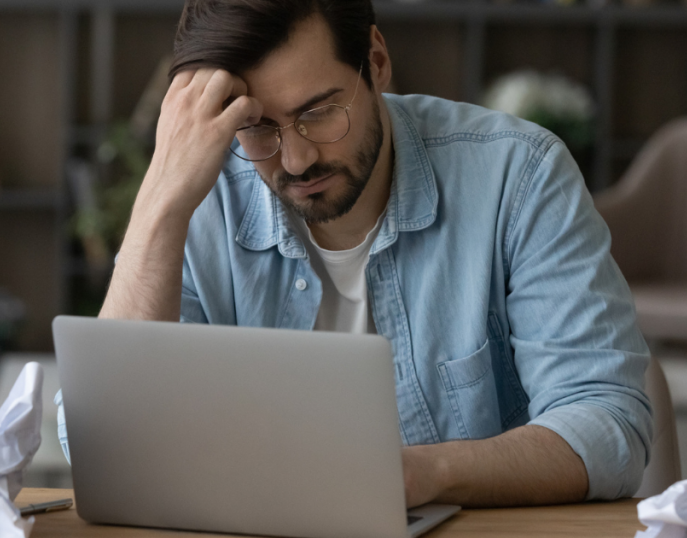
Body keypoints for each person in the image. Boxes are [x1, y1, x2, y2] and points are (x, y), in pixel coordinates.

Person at [57, 0, 653, 508]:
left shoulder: (517, 178)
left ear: (377, 61)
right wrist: (158, 205)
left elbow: (608, 425)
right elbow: (103, 442)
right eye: (259, 128)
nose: (295, 160)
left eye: (318, 113)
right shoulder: (198, 197)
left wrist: (423, 475)